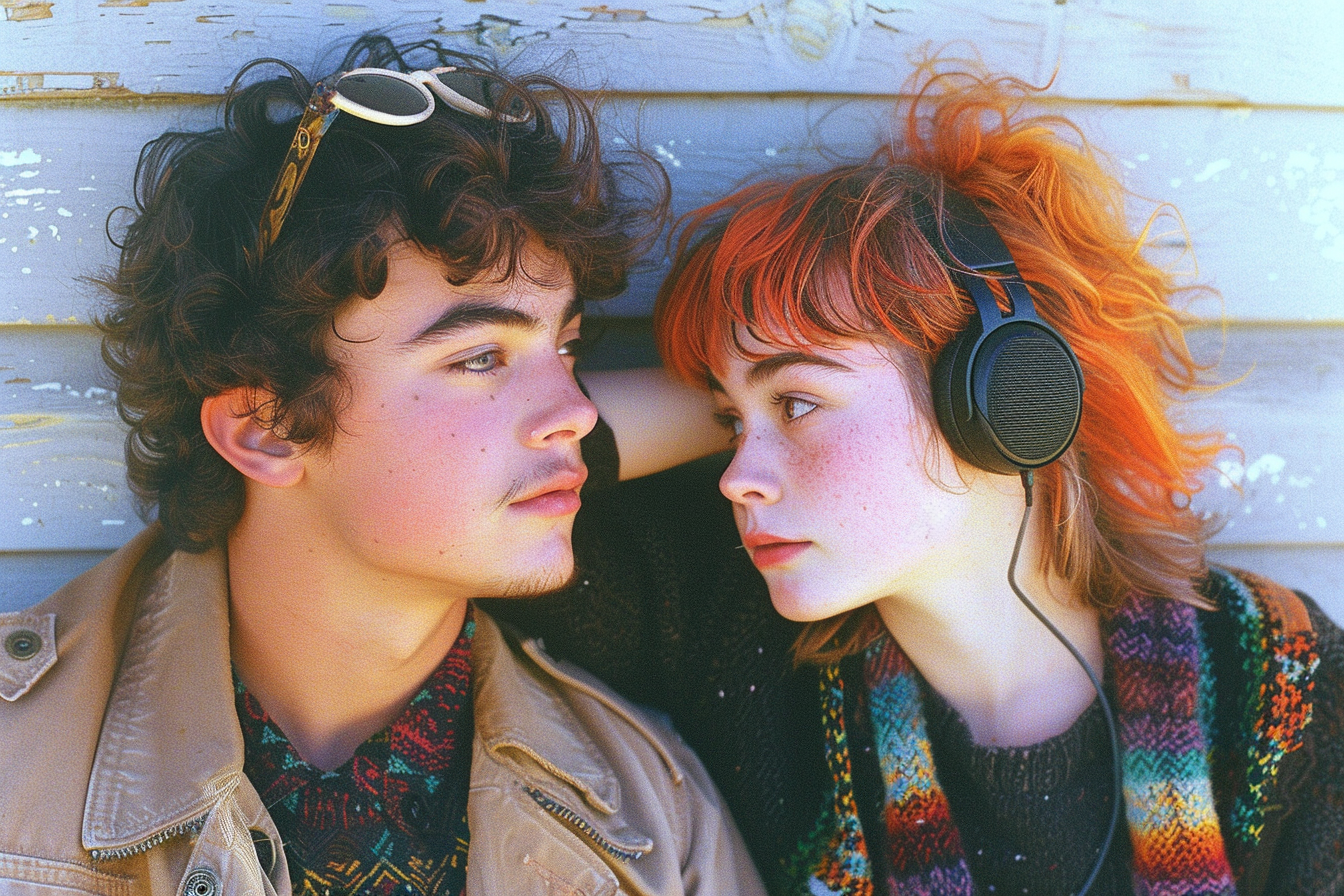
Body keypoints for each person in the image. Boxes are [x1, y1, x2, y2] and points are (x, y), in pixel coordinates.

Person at [491, 68, 1344, 896]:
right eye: (726, 425)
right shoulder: (735, 626)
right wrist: (738, 370)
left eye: (797, 405)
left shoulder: (1277, 681)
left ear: (998, 399)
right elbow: (482, 463)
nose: (737, 479)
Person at [0, 34, 763, 896]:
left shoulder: (653, 819)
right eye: (480, 358)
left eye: (569, 347)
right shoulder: (16, 765)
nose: (580, 411)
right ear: (266, 429)